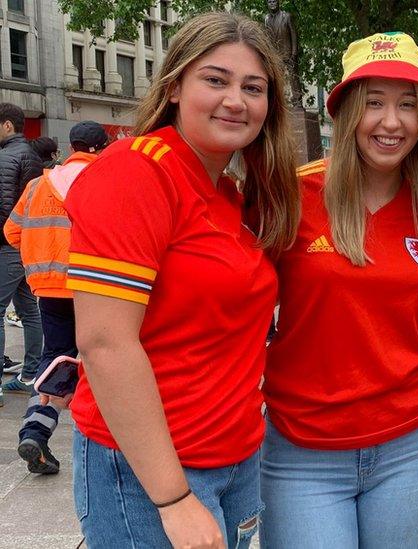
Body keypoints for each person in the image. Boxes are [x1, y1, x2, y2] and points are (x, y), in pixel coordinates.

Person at [60, 12, 299, 548]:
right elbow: (104, 345)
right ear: (173, 87)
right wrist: (172, 499)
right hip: (151, 471)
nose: (236, 100)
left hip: (235, 456)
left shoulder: (232, 197)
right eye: (215, 80)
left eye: (253, 88)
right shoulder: (136, 172)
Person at [260, 31, 418, 548]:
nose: (391, 122)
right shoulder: (293, 197)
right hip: (302, 449)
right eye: (373, 103)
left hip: (409, 446)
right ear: (345, 112)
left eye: (407, 105)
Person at [3, 120, 109, 474]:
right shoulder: (104, 182)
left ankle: (36, 429)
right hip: (94, 287)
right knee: (106, 357)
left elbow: (11, 231)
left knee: (56, 359)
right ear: (97, 149)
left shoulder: (37, 185)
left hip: (48, 288)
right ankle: (105, 440)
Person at [0, 102, 43, 405]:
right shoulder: (31, 155)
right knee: (29, 310)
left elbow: (4, 207)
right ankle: (31, 374)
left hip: (8, 245)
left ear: (7, 125)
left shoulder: (5, 157)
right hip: (26, 244)